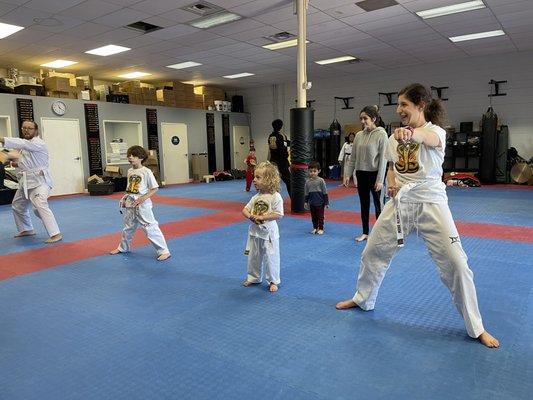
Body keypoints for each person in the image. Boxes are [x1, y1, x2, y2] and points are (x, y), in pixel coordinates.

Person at [336, 83, 499, 348]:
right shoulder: (393, 137)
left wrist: (413, 135)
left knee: (457, 264)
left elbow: (428, 140)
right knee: (372, 252)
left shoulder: (435, 132)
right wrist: (390, 180)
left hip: (431, 203)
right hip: (400, 202)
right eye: (398, 105)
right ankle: (363, 298)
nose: (399, 109)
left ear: (421, 105)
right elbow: (391, 165)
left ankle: (477, 327)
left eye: (404, 105)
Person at [0, 120, 62, 243]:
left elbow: (21, 143)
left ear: (36, 130)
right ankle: (26, 229)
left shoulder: (38, 143)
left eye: (30, 128)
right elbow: (24, 162)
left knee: (39, 205)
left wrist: (2, 139)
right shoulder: (25, 146)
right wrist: (10, 162)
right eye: (24, 128)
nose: (26, 130)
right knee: (17, 205)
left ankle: (55, 233)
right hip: (25, 182)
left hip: (40, 181)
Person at [110, 145, 171, 261]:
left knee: (150, 227)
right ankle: (123, 248)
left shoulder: (146, 171)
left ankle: (164, 251)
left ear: (141, 157)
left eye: (133, 155)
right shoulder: (130, 171)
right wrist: (125, 198)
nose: (130, 157)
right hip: (130, 202)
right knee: (128, 227)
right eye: (129, 155)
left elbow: (154, 188)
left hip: (142, 204)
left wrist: (143, 198)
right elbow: (130, 187)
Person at [345, 106, 388, 242]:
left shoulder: (381, 134)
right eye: (361, 118)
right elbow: (353, 157)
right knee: (364, 204)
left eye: (365, 118)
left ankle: (380, 234)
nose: (362, 121)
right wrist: (347, 174)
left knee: (378, 205)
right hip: (361, 173)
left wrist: (380, 179)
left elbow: (383, 159)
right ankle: (365, 232)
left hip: (375, 174)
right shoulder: (358, 135)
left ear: (374, 119)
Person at [242, 161, 283, 292]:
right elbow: (244, 210)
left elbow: (278, 214)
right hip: (255, 232)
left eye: (258, 177)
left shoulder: (275, 197)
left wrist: (262, 217)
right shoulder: (255, 197)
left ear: (269, 180)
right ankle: (253, 277)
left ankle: (273, 280)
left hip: (269, 234)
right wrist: (251, 216)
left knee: (271, 257)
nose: (254, 180)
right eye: (254, 177)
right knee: (253, 256)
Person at [268, 119, 291, 198]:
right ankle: (294, 200)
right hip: (281, 161)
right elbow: (282, 148)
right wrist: (286, 154)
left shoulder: (270, 136)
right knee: (289, 181)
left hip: (273, 161)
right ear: (281, 126)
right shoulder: (281, 136)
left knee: (272, 181)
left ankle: (271, 199)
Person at [304, 160, 329, 235]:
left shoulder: (321, 181)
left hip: (320, 203)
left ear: (319, 171)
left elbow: (325, 192)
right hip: (312, 203)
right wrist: (305, 202)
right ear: (308, 171)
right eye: (311, 171)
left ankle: (321, 228)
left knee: (320, 217)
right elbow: (306, 193)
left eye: (314, 171)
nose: (312, 173)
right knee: (313, 217)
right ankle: (315, 227)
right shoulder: (307, 182)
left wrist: (326, 202)